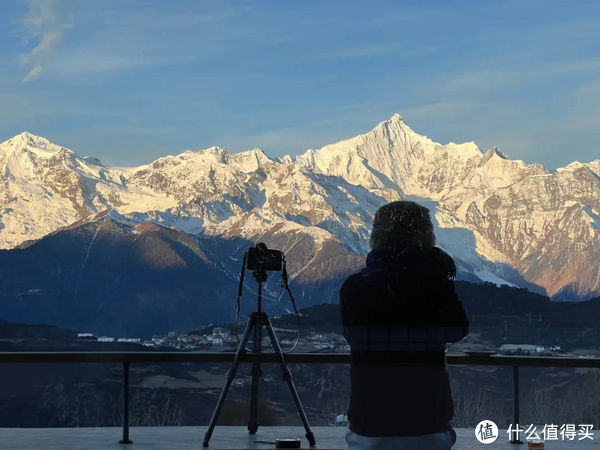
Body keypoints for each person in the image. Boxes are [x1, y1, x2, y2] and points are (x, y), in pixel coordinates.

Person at [340, 200, 469, 450]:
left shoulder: (354, 287)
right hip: (427, 423)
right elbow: (457, 331)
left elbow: (350, 335)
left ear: (376, 237)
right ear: (426, 238)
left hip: (369, 423)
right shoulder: (436, 286)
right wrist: (436, 272)